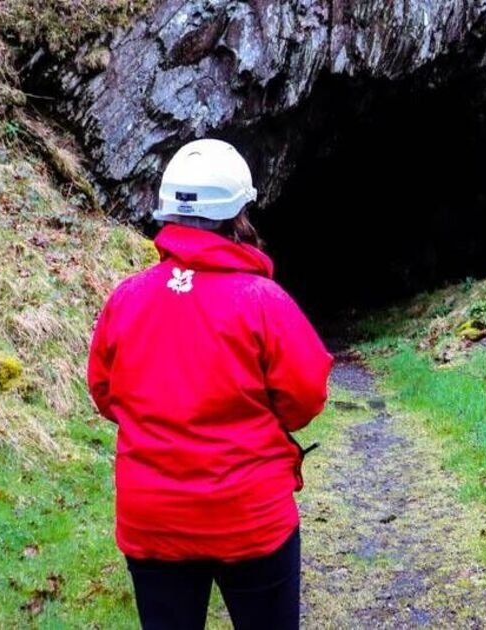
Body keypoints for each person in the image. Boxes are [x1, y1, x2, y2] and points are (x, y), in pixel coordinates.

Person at [86, 139, 333, 630]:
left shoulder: (127, 299)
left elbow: (106, 392)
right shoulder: (262, 301)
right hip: (250, 517)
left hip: (153, 519)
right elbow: (306, 397)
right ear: (238, 216)